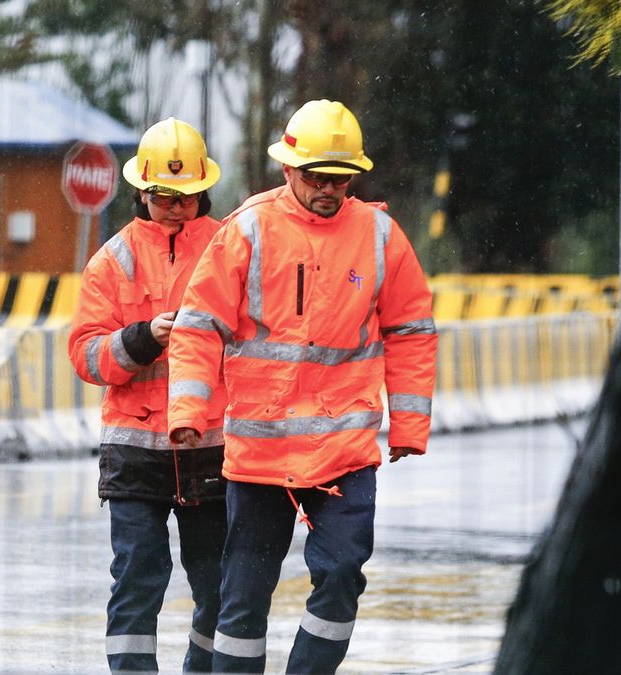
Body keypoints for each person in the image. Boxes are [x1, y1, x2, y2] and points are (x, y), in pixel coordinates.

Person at [167, 99, 438, 674]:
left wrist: (410, 425)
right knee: (242, 600)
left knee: (342, 576)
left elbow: (412, 328)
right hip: (259, 456)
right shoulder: (248, 229)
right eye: (316, 177)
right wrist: (188, 408)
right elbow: (198, 324)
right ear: (287, 170)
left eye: (340, 180)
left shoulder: (380, 236)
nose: (328, 190)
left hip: (343, 454)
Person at [68, 117, 229, 674]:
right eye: (164, 197)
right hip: (136, 451)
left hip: (212, 447)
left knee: (218, 585)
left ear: (203, 189)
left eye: (185, 197)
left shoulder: (229, 246)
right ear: (141, 190)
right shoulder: (112, 260)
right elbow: (87, 355)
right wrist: (143, 338)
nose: (175, 208)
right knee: (137, 579)